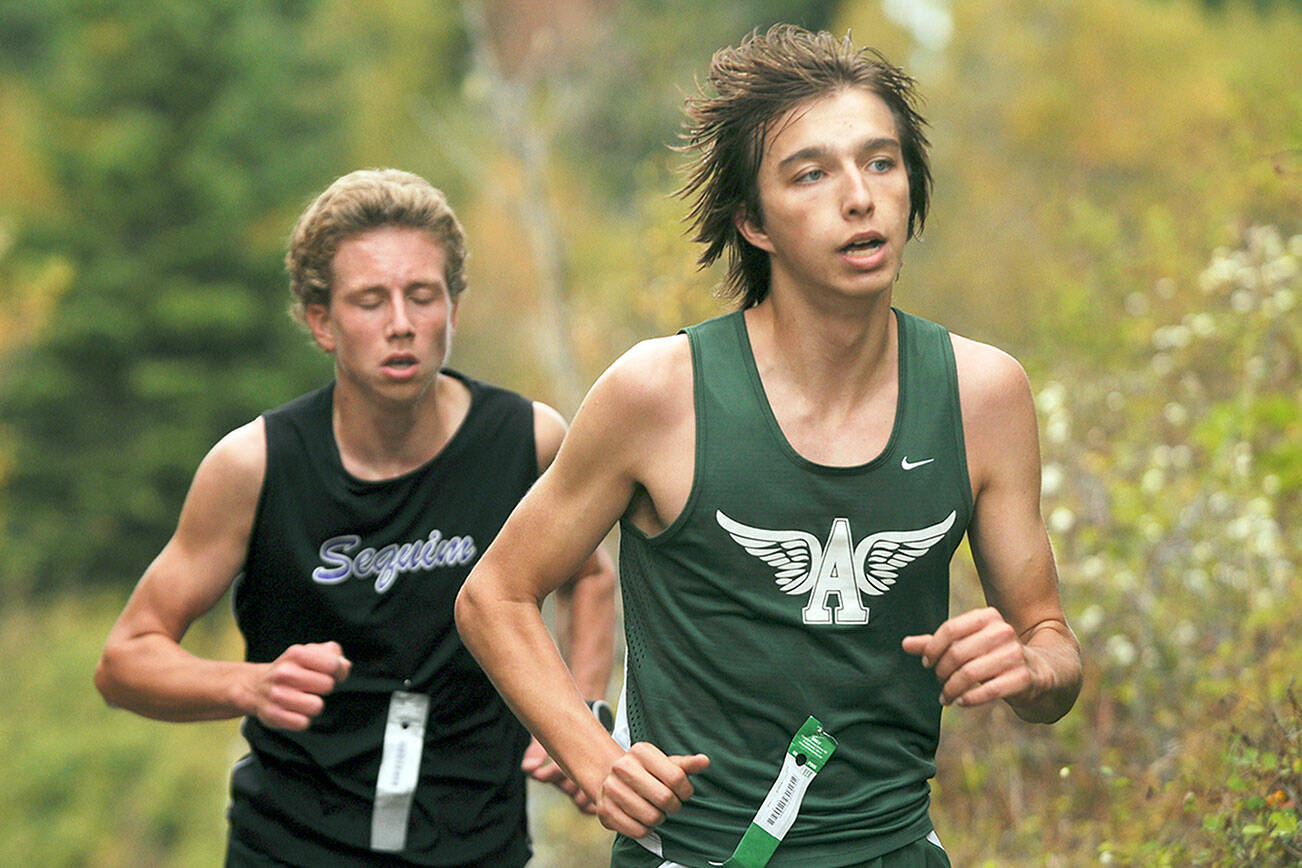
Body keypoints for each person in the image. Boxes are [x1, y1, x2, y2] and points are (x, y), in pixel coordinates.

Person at [455, 24, 1082, 868]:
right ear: (752, 220)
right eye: (811, 173)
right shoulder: (660, 394)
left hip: (895, 851)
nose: (858, 198)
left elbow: (1050, 644)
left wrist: (1032, 668)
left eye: (882, 162)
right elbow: (493, 596)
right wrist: (596, 761)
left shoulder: (983, 394)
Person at [94, 168, 616, 868]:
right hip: (292, 844)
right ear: (322, 322)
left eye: (422, 296)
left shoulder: (525, 441)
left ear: (452, 311)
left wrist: (576, 717)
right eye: (370, 301)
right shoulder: (254, 466)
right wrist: (247, 685)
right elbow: (125, 660)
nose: (401, 324)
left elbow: (589, 576)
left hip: (476, 843)